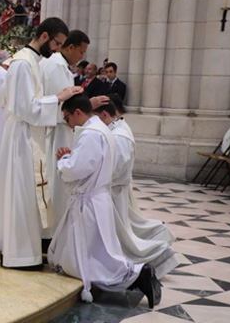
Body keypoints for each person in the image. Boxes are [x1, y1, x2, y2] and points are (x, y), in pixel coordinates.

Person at [49, 94, 162, 308]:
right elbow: (90, 162)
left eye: (67, 118)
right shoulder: (102, 129)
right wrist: (73, 156)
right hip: (96, 198)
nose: (67, 123)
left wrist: (64, 160)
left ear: (78, 113)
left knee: (94, 259)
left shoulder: (90, 133)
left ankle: (138, 275)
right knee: (95, 252)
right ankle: (135, 275)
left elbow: (77, 169)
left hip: (90, 202)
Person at [0, 17, 78, 270]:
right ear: (44, 37)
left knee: (27, 193)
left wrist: (55, 100)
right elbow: (24, 107)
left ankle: (26, 251)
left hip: (28, 132)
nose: (58, 49)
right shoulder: (22, 64)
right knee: (21, 192)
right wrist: (59, 98)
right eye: (57, 43)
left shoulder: (33, 62)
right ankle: (19, 254)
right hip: (21, 134)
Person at [95, 96, 178, 278]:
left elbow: (116, 169)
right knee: (122, 236)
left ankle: (157, 254)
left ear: (103, 115)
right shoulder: (117, 129)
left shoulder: (119, 136)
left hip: (113, 191)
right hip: (112, 190)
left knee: (125, 242)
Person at [40, 30, 91, 238]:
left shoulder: (51, 63)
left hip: (54, 128)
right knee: (57, 184)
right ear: (70, 47)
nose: (81, 57)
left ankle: (51, 232)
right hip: (58, 130)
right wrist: (87, 107)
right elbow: (62, 106)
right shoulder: (57, 66)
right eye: (81, 51)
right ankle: (54, 234)